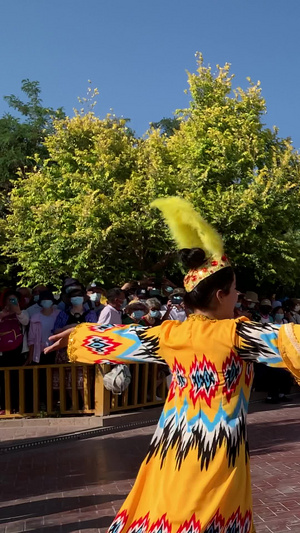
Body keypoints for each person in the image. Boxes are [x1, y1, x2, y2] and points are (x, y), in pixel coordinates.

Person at [45, 197, 300, 533]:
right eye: (236, 290)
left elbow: (125, 339)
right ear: (221, 295)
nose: (239, 296)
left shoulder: (170, 334)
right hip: (216, 454)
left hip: (171, 448)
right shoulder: (238, 335)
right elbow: (289, 340)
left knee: (164, 518)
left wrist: (79, 335)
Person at [25, 290, 60, 365]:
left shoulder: (59, 315)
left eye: (48, 299)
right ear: (40, 302)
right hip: (40, 352)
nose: (46, 301)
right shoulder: (35, 317)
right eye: (44, 299)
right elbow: (31, 339)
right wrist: (30, 356)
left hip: (57, 350)